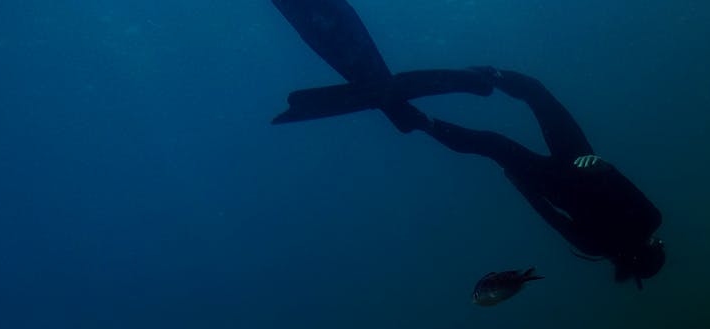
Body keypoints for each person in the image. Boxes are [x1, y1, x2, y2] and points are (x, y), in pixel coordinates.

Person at [270, 0, 666, 288]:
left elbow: (613, 187)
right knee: (495, 141)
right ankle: (428, 119)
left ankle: (488, 79)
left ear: (649, 252)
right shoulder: (596, 247)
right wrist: (524, 185)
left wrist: (598, 168)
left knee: (535, 100)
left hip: (580, 165)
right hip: (566, 177)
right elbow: (549, 214)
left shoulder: (647, 221)